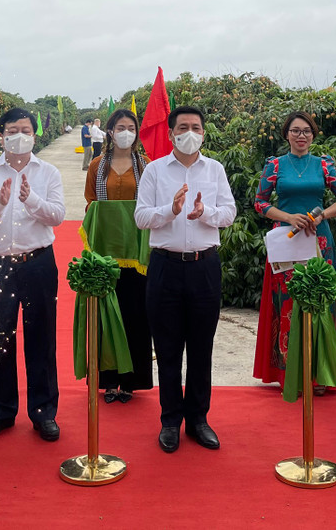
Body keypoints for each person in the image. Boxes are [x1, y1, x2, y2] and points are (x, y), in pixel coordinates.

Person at [135, 105, 236, 453]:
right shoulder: (154, 171)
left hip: (204, 267)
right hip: (165, 266)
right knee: (167, 348)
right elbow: (141, 216)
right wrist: (171, 211)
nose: (189, 133)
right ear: (172, 133)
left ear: (203, 133)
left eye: (195, 127)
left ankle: (198, 418)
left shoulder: (215, 169)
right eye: (183, 127)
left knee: (201, 346)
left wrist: (203, 212)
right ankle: (170, 420)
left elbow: (229, 212)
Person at [0, 107, 65, 443]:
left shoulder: (48, 172)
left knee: (41, 337)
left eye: (25, 130)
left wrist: (30, 199)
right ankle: (1, 410)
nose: (19, 136)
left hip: (37, 262)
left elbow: (57, 216)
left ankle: (44, 413)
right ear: (1, 135)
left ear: (34, 135)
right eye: (12, 130)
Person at [252, 110, 336, 390]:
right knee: (286, 304)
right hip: (286, 239)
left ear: (313, 135)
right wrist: (289, 217)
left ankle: (319, 374)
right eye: (295, 131)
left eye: (306, 131)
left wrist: (322, 215)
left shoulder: (325, 165)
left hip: (319, 240)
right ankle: (288, 373)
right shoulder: (275, 166)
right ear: (286, 134)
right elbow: (260, 203)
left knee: (319, 303)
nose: (301, 135)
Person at [84, 108, 153, 402]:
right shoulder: (97, 166)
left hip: (137, 255)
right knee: (106, 315)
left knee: (136, 315)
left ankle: (130, 381)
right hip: (104, 253)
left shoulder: (146, 166)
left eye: (131, 127)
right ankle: (108, 380)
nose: (126, 132)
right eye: (120, 127)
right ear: (110, 132)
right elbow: (91, 204)